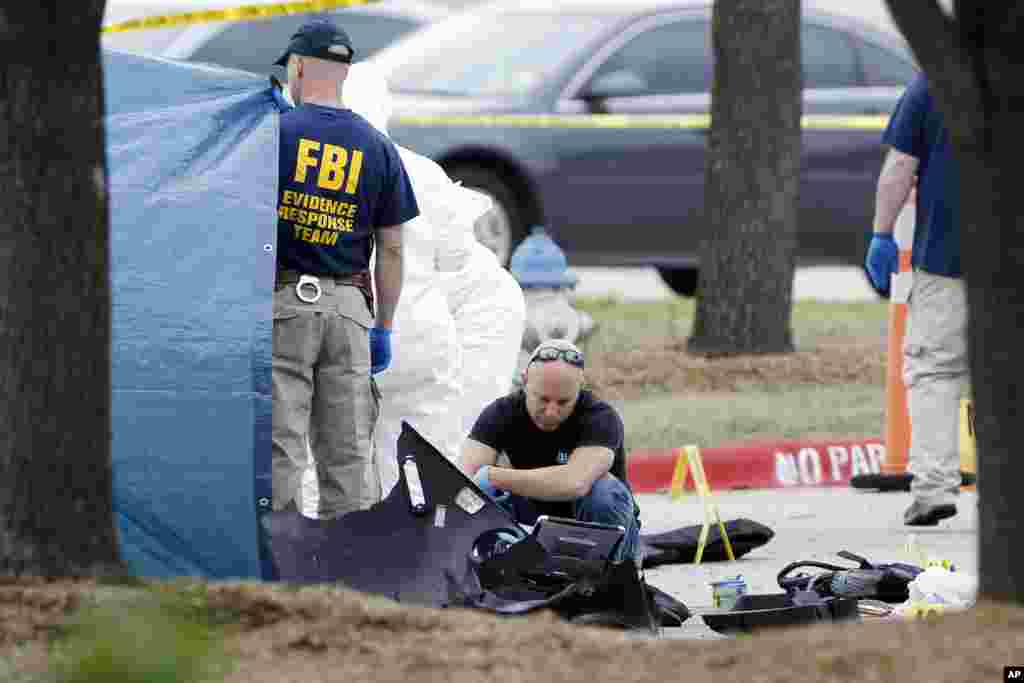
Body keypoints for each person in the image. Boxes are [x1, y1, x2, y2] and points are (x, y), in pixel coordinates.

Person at [271, 19, 419, 519]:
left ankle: (279, 563)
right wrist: (384, 328)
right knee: (348, 450)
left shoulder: (275, 133)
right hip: (351, 314)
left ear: (298, 66)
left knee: (281, 445)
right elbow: (393, 249)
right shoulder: (378, 147)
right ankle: (346, 575)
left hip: (284, 309)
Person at [865, 72, 965, 526]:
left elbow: (899, 167)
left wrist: (882, 234)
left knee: (934, 370)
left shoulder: (934, 83)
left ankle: (933, 489)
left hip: (949, 256)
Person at [458, 339, 640, 562]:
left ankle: (607, 572)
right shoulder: (501, 412)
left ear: (580, 387)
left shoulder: (601, 417)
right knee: (473, 495)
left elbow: (575, 482)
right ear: (525, 382)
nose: (551, 412)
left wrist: (493, 476)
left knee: (602, 491)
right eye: (542, 399)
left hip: (601, 524)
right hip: (538, 518)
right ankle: (490, 564)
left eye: (563, 402)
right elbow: (463, 479)